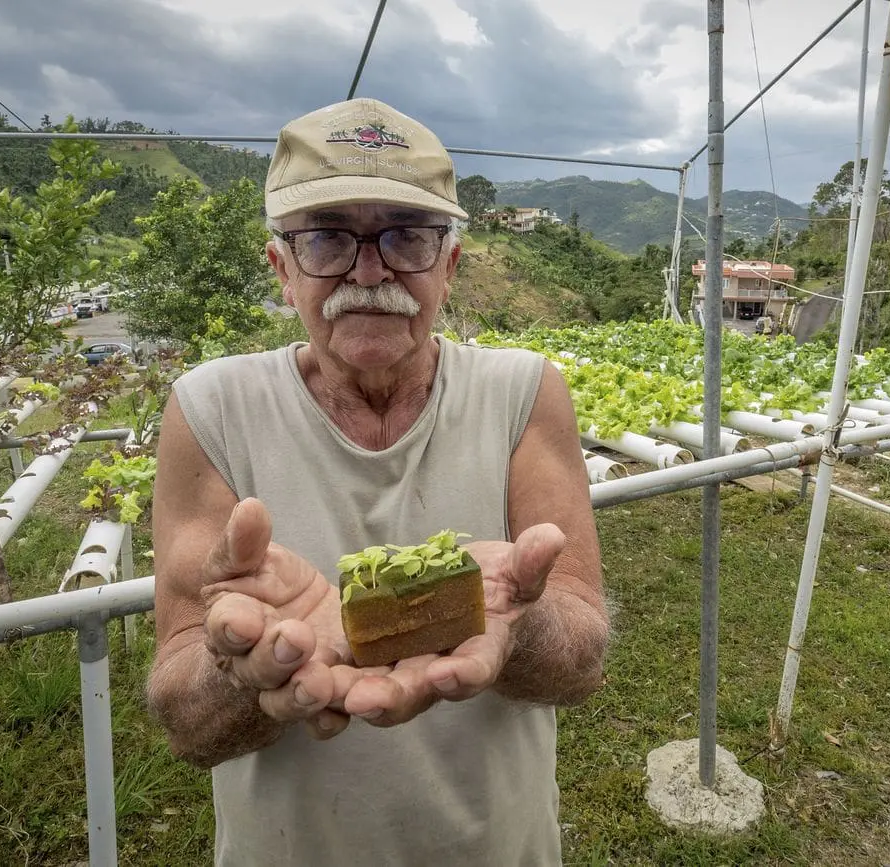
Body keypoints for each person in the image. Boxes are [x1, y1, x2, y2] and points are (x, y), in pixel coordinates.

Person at [145, 97, 610, 865]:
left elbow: (583, 657)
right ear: (282, 269)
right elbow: (187, 723)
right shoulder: (209, 409)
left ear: (450, 265)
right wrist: (247, 670)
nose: (369, 271)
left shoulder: (525, 393)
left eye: (407, 236)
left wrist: (510, 618)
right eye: (327, 237)